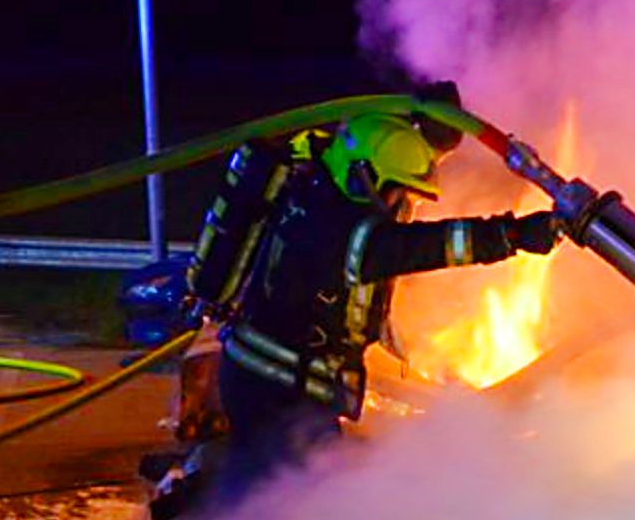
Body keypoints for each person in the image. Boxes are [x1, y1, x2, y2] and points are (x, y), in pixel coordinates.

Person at [186, 92, 561, 498]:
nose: (398, 203)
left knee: (272, 492)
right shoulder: (338, 233)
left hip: (262, 380)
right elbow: (430, 245)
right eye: (394, 191)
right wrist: (515, 234)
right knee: (289, 507)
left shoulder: (317, 190)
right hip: (282, 395)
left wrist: (437, 131)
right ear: (363, 177)